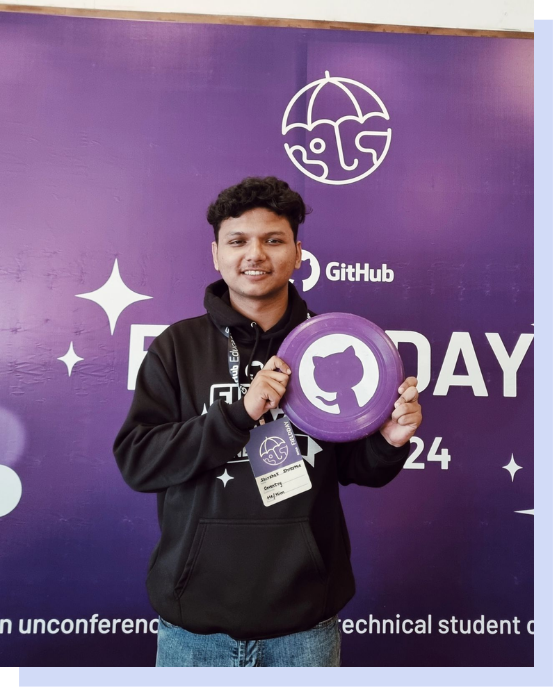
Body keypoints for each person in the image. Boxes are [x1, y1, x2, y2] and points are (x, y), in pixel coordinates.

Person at [113, 176, 422, 667]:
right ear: (216, 254)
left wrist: (389, 441)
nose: (255, 254)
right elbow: (139, 462)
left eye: (273, 240)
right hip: (194, 630)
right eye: (237, 241)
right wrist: (238, 414)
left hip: (303, 629)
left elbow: (354, 469)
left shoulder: (330, 343)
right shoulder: (177, 347)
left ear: (297, 254)